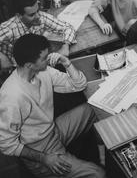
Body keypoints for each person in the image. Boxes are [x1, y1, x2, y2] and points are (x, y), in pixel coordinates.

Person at [0, 34, 105, 178]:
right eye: (44, 58)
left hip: (53, 130)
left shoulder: (43, 71)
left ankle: (104, 152)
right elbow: (6, 144)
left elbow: (79, 84)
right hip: (39, 149)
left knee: (95, 108)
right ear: (29, 65)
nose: (49, 58)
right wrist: (44, 158)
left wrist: (66, 62)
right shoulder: (12, 96)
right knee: (97, 174)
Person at [0, 0, 76, 69]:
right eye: (32, 15)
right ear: (19, 16)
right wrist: (3, 58)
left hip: (36, 62)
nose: (37, 16)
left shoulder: (40, 16)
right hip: (18, 69)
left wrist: (65, 45)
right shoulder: (8, 29)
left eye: (37, 10)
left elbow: (68, 27)